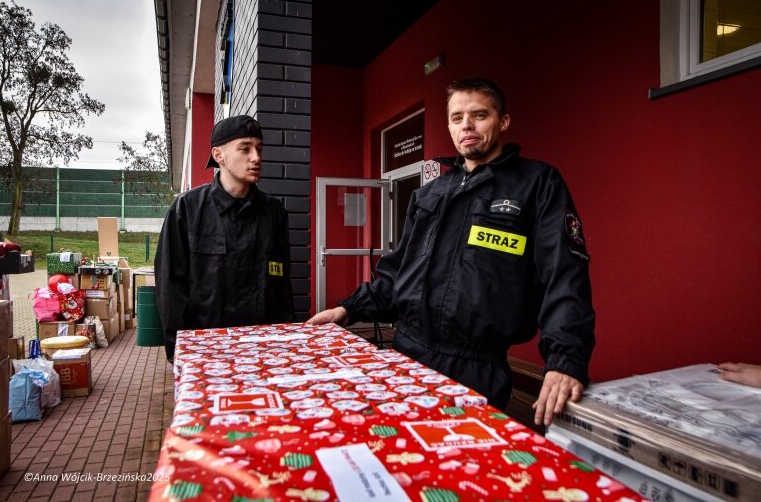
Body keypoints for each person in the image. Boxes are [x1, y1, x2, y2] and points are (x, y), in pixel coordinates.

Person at [307, 77, 595, 426]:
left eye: (479, 115)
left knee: (464, 464)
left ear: (503, 122)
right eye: (457, 118)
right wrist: (348, 308)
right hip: (407, 355)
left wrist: (564, 361)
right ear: (448, 126)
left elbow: (564, 277)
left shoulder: (537, 184)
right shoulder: (430, 193)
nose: (467, 126)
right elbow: (398, 272)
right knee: (403, 453)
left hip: (477, 368)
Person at [155, 115, 295, 362]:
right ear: (218, 155)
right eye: (245, 149)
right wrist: (180, 352)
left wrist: (286, 341)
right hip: (207, 353)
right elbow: (170, 290)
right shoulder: (186, 209)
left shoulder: (274, 212)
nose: (256, 157)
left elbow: (282, 285)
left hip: (264, 350)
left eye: (259, 149)